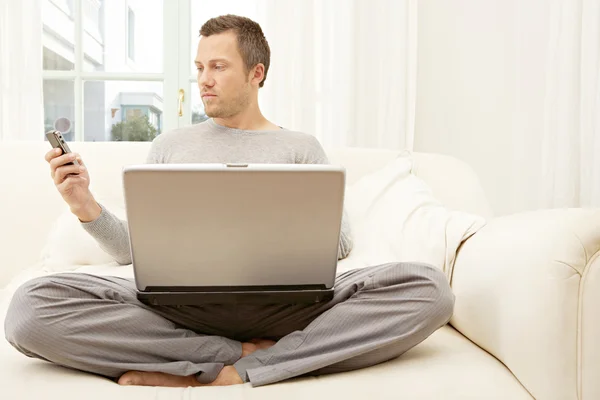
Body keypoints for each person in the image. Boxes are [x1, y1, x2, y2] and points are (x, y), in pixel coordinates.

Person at [4, 15, 454, 388]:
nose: (203, 80)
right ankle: (239, 356)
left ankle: (238, 372)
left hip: (287, 306)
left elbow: (338, 244)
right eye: (199, 68)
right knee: (30, 308)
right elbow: (128, 253)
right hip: (176, 306)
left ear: (256, 73)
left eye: (217, 67)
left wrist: (265, 230)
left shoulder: (300, 148)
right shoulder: (170, 146)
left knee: (428, 288)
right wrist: (84, 204)